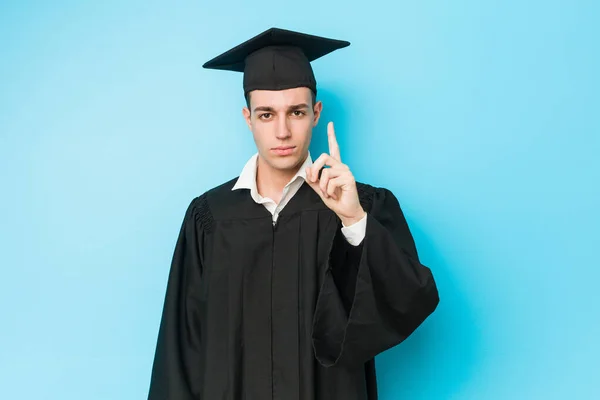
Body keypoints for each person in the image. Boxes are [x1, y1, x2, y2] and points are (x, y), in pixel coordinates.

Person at [147, 27, 439, 400]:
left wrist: (353, 221)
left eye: (296, 112)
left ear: (315, 114)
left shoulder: (360, 204)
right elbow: (181, 347)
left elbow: (409, 300)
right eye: (266, 114)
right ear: (247, 118)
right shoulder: (210, 217)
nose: (282, 131)